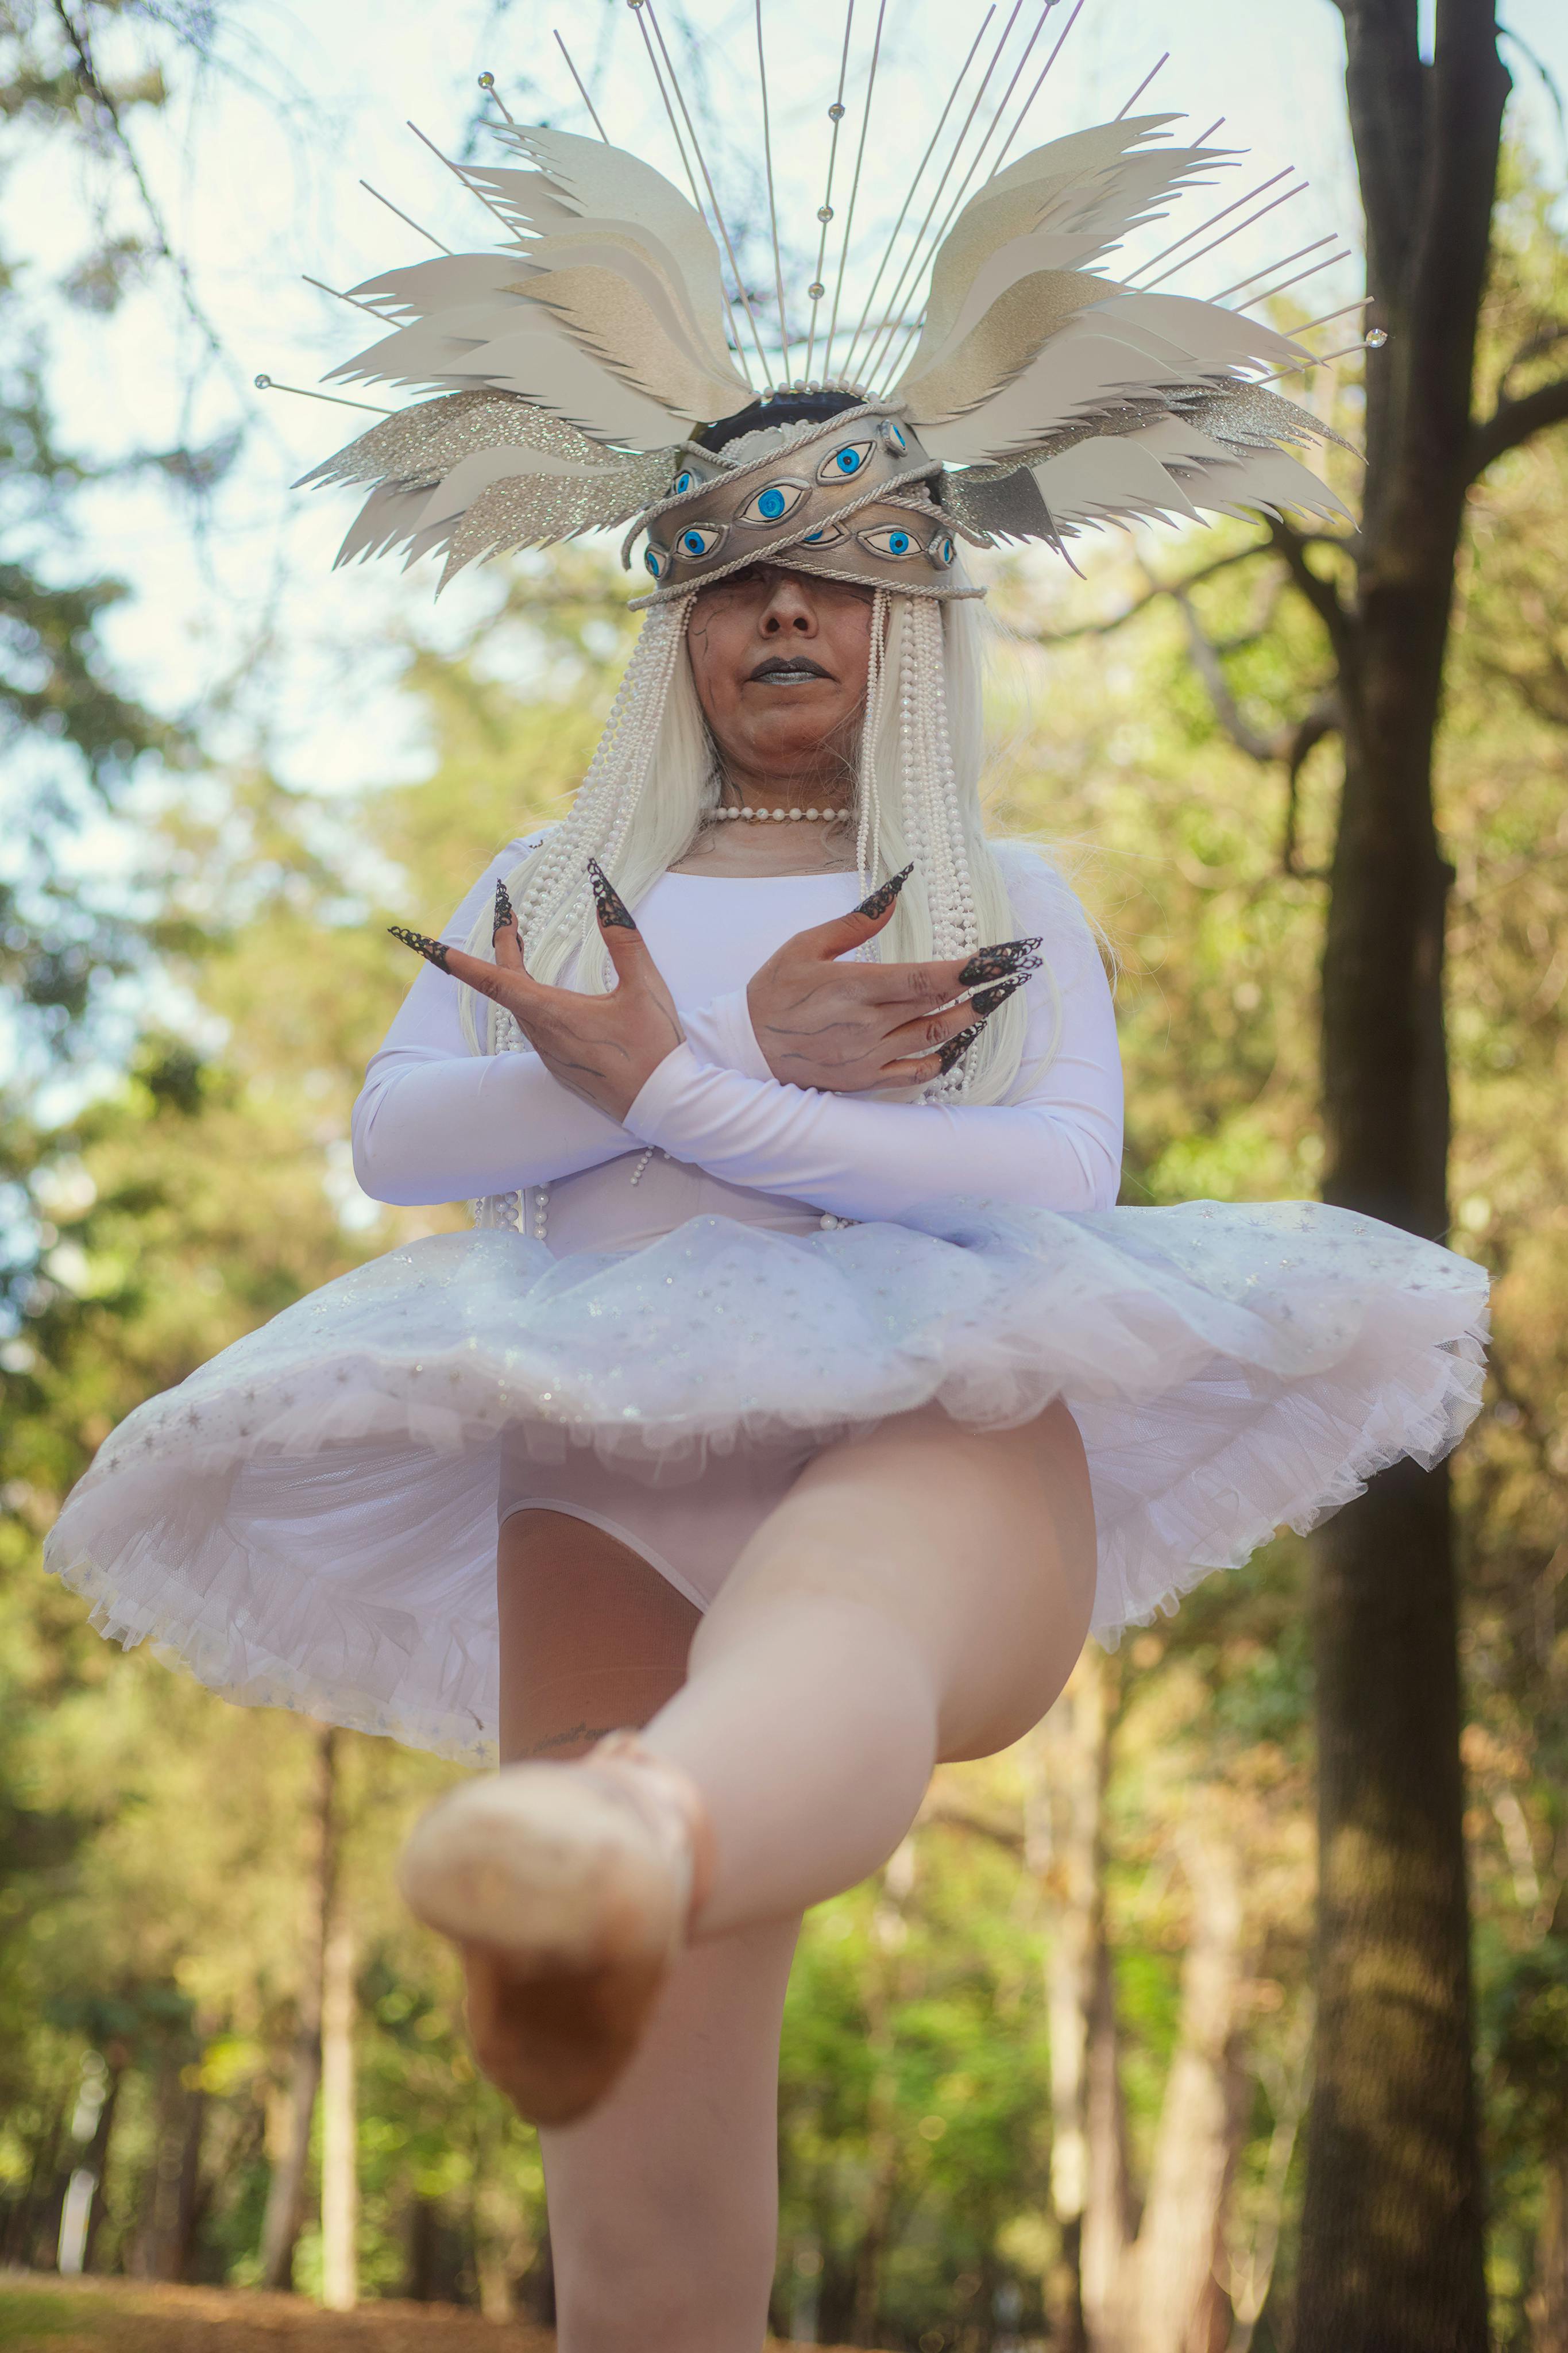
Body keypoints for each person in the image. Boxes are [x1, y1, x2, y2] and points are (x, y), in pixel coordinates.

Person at [45, 94, 1489, 2349]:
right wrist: (638, 1066)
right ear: (675, 626)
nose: (777, 611)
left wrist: (699, 1087)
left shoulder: (992, 897)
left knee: (820, 1640)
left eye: (828, 574)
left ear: (914, 612)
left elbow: (1052, 1173)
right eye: (728, 579)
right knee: (637, 2224)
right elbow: (399, 1140)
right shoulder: (556, 887)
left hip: (931, 1414)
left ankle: (635, 1833)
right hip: (595, 1448)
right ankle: (598, 1890)